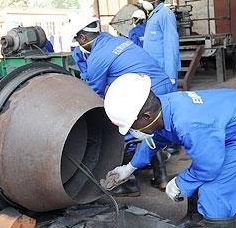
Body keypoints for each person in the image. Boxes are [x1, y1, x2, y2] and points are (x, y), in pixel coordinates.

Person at [103, 73, 236, 228]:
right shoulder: (162, 107)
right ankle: (197, 218)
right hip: (227, 113)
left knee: (216, 191)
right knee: (200, 169)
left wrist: (180, 183)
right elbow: (154, 140)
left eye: (131, 126)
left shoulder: (190, 124)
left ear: (146, 117)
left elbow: (209, 167)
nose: (132, 131)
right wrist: (129, 167)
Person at [68, 15, 174, 196]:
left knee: (120, 132)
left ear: (83, 38)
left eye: (77, 39)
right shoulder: (117, 41)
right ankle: (161, 178)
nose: (78, 44)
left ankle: (129, 183)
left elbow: (95, 94)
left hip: (146, 92)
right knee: (154, 131)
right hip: (161, 85)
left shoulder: (97, 57)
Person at [136, 0, 181, 91]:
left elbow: (171, 45)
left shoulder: (165, 14)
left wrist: (171, 75)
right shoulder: (153, 15)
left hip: (164, 72)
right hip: (154, 70)